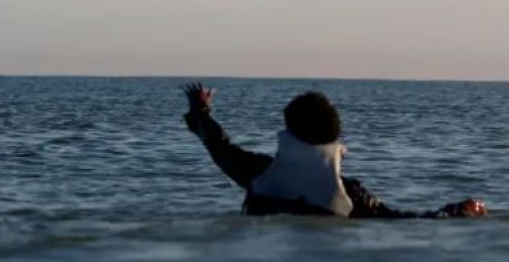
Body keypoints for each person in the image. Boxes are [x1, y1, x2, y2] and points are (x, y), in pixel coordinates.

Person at [182, 83, 488, 218]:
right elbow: (409, 220)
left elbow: (218, 146)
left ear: (288, 131)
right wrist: (456, 210)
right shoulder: (352, 196)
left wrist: (201, 112)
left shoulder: (258, 173)